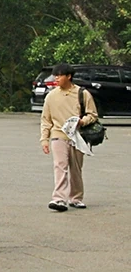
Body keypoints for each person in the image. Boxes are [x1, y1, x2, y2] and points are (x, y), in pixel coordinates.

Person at [40, 63, 98, 212]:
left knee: (76, 168)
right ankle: (58, 199)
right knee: (60, 166)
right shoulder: (51, 96)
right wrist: (44, 139)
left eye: (59, 75)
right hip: (58, 135)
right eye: (55, 75)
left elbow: (92, 114)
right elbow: (46, 120)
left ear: (69, 76)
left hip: (78, 136)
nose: (56, 78)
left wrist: (82, 121)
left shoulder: (82, 94)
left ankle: (76, 198)